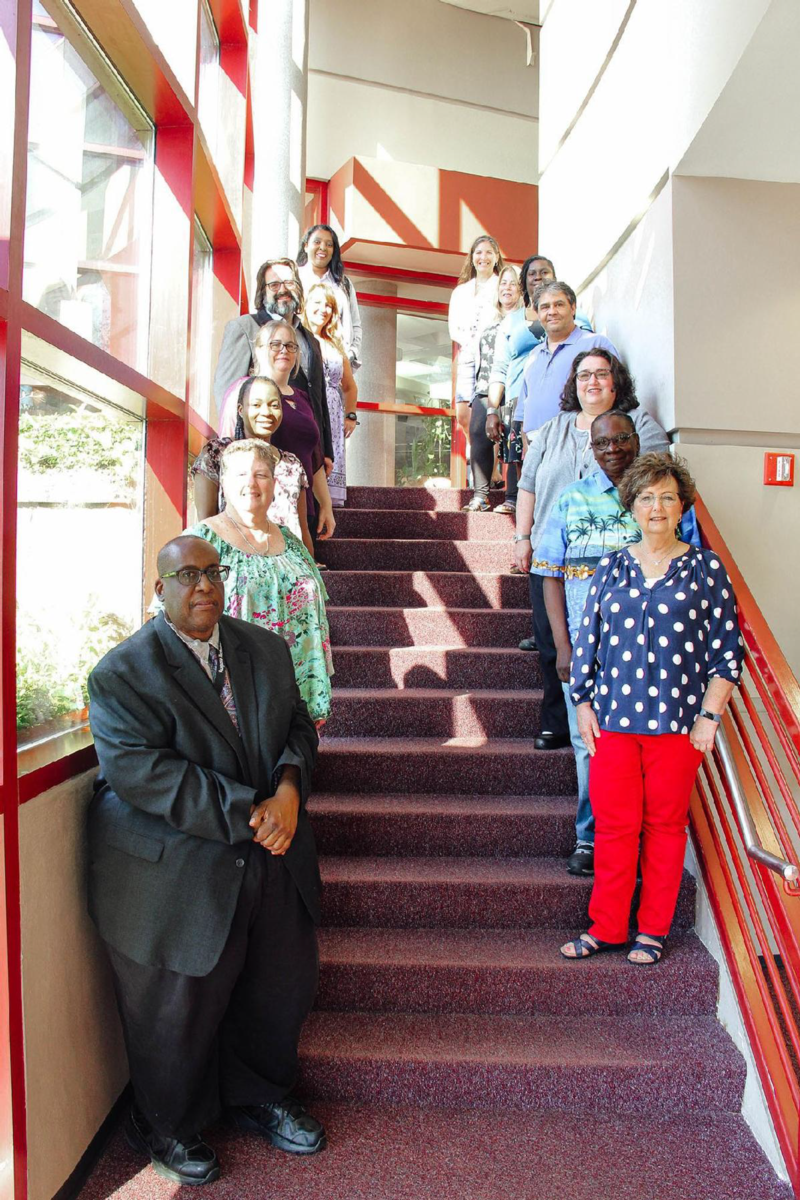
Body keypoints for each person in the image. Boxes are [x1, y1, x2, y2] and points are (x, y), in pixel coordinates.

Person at [87, 534, 325, 1186]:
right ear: (157, 590)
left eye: (213, 573)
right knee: (176, 1010)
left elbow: (298, 730)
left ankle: (262, 1096)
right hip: (179, 865)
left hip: (271, 856)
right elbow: (144, 775)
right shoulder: (122, 674)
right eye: (186, 576)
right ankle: (168, 1124)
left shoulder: (264, 649)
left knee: (278, 988)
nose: (204, 587)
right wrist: (258, 811)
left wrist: (288, 789)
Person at [561, 454, 742, 965]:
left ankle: (653, 931)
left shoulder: (705, 567)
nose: (656, 506)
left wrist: (710, 716)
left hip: (679, 725)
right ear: (632, 507)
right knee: (614, 827)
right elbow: (586, 641)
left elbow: (727, 649)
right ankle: (607, 926)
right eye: (645, 497)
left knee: (664, 828)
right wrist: (582, 706)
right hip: (614, 722)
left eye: (666, 496)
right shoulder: (612, 565)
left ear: (682, 506)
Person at [533, 411, 700, 876]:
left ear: (636, 441)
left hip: (652, 656)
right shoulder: (572, 499)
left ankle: (640, 838)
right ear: (591, 447)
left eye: (622, 439)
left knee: (650, 747)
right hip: (587, 654)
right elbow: (549, 574)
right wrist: (562, 648)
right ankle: (590, 837)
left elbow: (691, 570)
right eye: (603, 442)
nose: (613, 449)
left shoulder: (662, 504)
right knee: (591, 746)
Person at [514, 350, 670, 753]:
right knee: (553, 643)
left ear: (616, 382)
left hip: (622, 555)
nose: (593, 382)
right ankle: (558, 722)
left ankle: (609, 731)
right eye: (585, 375)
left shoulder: (641, 427)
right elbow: (527, 484)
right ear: (574, 383)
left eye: (602, 374)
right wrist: (522, 537)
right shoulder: (553, 429)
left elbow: (657, 483)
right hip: (557, 552)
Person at [186, 440, 333, 725]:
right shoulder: (199, 541)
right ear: (223, 482)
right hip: (231, 699)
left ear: (274, 483)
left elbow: (318, 620)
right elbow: (173, 620)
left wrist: (319, 687)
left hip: (297, 695)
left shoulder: (292, 542)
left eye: (261, 474)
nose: (251, 483)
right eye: (240, 474)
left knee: (294, 768)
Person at [213, 257, 333, 464]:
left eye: (289, 283)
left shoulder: (310, 339)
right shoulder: (244, 328)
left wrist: (325, 450)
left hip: (306, 452)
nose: (282, 290)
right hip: (262, 451)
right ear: (262, 291)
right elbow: (228, 393)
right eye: (274, 284)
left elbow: (319, 397)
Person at [192, 376, 313, 553]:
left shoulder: (292, 464)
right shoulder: (217, 453)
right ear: (240, 410)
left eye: (274, 405)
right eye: (256, 405)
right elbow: (206, 522)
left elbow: (302, 530)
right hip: (233, 564)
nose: (266, 412)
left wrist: (310, 570)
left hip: (286, 567)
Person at [253, 320, 336, 555]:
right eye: (276, 344)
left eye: (291, 346)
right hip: (268, 507)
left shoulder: (302, 397)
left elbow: (314, 456)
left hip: (304, 506)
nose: (284, 351)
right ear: (260, 349)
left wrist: (326, 505)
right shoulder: (250, 392)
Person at [514, 281, 618, 439]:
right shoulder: (533, 356)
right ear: (537, 313)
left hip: (578, 441)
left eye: (559, 304)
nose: (552, 312)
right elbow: (524, 414)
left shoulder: (596, 344)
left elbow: (618, 394)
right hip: (536, 446)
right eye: (545, 307)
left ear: (573, 308)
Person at [456, 264, 522, 511]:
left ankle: (512, 498)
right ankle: (480, 495)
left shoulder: (525, 321)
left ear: (521, 289)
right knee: (477, 433)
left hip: (514, 387)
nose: (507, 287)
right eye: (503, 283)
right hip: (485, 386)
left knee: (513, 441)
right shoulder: (490, 322)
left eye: (512, 283)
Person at [304, 281, 359, 508]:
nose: (323, 309)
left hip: (334, 412)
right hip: (309, 405)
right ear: (305, 305)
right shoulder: (299, 338)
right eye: (317, 303)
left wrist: (351, 415)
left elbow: (349, 386)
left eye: (328, 305)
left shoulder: (336, 345)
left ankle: (330, 504)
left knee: (331, 456)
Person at [448, 234, 504, 453]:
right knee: (463, 414)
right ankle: (481, 457)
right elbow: (454, 326)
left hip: (492, 357)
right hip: (468, 355)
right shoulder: (461, 291)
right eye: (479, 253)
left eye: (489, 252)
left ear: (497, 257)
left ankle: (490, 468)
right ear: (472, 258)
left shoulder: (502, 286)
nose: (484, 257)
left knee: (488, 411)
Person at [297, 224, 362, 370]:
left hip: (335, 364)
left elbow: (356, 324)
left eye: (329, 244)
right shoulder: (294, 278)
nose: (323, 248)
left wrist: (351, 353)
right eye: (317, 242)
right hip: (300, 362)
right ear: (306, 246)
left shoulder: (343, 284)